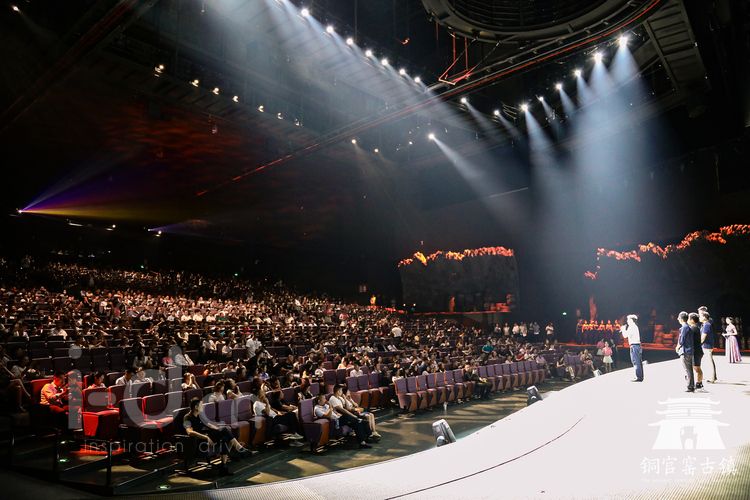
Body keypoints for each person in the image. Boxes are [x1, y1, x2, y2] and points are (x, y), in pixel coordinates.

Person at [182, 398, 250, 476]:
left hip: (207, 437)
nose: (203, 407)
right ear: (196, 407)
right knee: (224, 431)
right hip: (198, 441)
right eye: (201, 405)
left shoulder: (200, 415)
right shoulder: (187, 417)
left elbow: (209, 424)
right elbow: (189, 432)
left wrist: (218, 430)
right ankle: (239, 449)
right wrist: (206, 437)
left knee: (224, 436)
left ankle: (224, 467)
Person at [327, 384, 372, 449]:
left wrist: (345, 398)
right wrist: (353, 416)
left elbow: (347, 408)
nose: (342, 392)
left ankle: (364, 441)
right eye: (341, 391)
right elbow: (343, 410)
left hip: (346, 417)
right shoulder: (333, 399)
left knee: (361, 423)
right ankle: (359, 421)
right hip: (339, 419)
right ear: (338, 391)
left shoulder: (340, 398)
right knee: (354, 419)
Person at [676, 311, 696, 392]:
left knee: (687, 369)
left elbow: (682, 340)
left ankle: (690, 386)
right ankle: (691, 385)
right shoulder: (688, 327)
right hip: (689, 350)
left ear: (681, 319)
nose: (677, 319)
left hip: (686, 351)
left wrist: (678, 347)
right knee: (689, 369)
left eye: (678, 318)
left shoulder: (684, 327)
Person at [620, 314, 643, 382]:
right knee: (638, 361)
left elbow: (625, 335)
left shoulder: (632, 327)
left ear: (632, 320)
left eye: (628, 319)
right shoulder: (634, 326)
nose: (627, 321)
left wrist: (623, 329)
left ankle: (638, 377)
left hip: (634, 346)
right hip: (636, 346)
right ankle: (639, 376)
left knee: (636, 361)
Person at [688, 313, 704, 390]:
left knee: (697, 368)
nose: (687, 320)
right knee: (696, 368)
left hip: (696, 352)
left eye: (688, 319)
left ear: (692, 320)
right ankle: (698, 383)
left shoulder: (693, 329)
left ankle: (699, 383)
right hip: (697, 351)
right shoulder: (695, 328)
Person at [699, 311, 717, 383]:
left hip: (707, 345)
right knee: (707, 361)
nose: (699, 318)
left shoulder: (707, 325)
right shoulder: (705, 324)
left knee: (709, 362)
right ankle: (709, 377)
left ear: (704, 317)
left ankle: (712, 378)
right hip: (706, 345)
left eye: (700, 316)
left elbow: (703, 337)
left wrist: (698, 344)